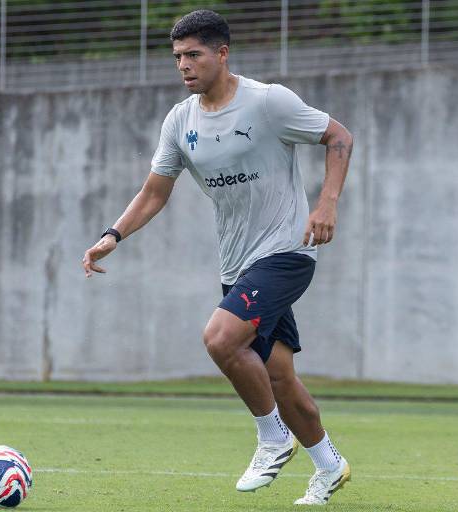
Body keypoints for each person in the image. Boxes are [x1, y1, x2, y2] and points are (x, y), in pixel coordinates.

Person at [82, 9, 353, 506]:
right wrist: (113, 235)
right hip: (238, 265)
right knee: (278, 376)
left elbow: (339, 137)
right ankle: (330, 465)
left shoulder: (269, 102)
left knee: (220, 338)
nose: (184, 66)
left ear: (222, 54)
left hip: (288, 251)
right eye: (178, 57)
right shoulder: (180, 120)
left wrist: (327, 202)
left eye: (194, 55)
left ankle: (273, 439)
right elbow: (154, 191)